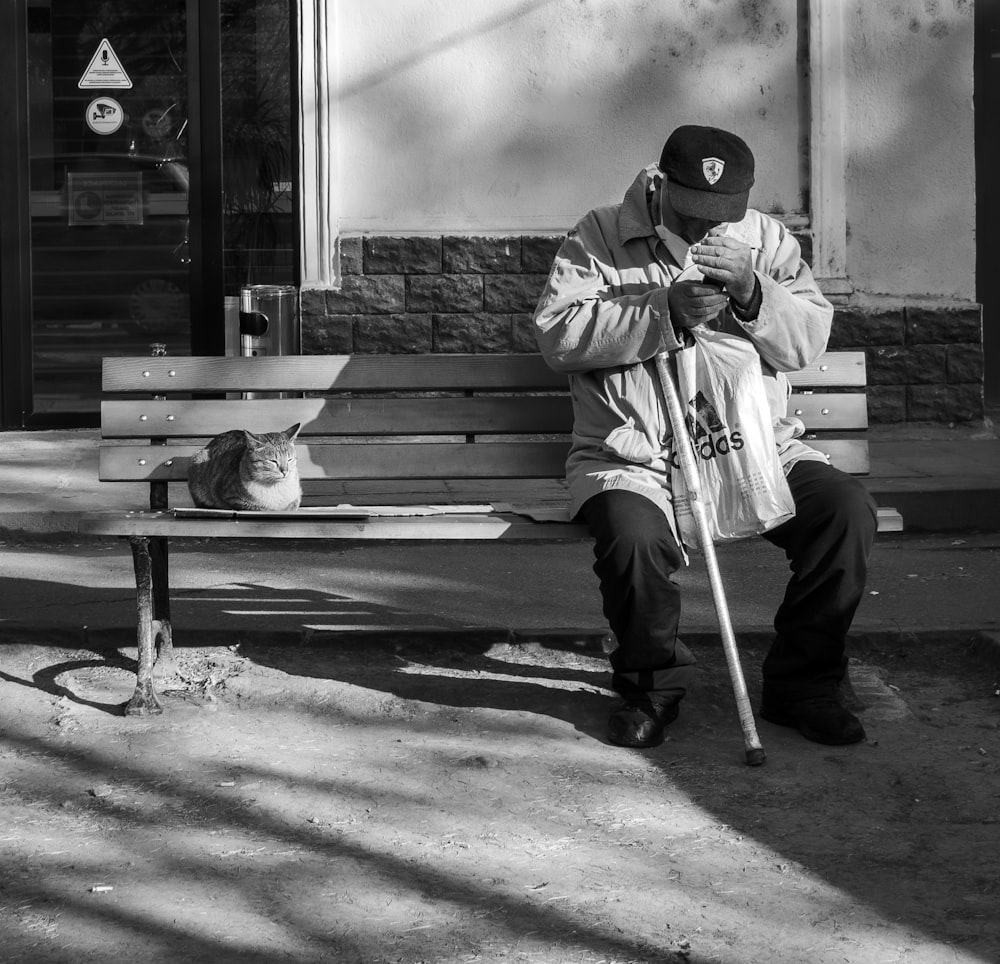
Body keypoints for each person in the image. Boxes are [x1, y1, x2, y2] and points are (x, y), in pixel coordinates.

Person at [532, 124, 878, 749]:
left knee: (845, 513)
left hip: (756, 447)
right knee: (633, 539)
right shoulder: (601, 234)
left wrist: (751, 292)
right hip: (638, 454)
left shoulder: (766, 241)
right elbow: (558, 335)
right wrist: (662, 311)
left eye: (721, 215)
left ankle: (804, 683)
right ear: (661, 185)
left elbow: (806, 342)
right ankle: (651, 686)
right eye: (692, 213)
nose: (704, 229)